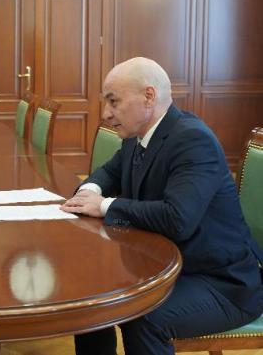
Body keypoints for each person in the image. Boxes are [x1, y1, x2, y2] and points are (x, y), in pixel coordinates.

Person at [60, 57, 263, 355]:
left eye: (114, 101)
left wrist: (104, 205)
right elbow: (108, 173)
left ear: (149, 96)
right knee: (92, 294)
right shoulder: (136, 136)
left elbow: (176, 219)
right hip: (166, 266)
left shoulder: (193, 140)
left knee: (143, 316)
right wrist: (88, 193)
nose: (106, 113)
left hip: (222, 282)